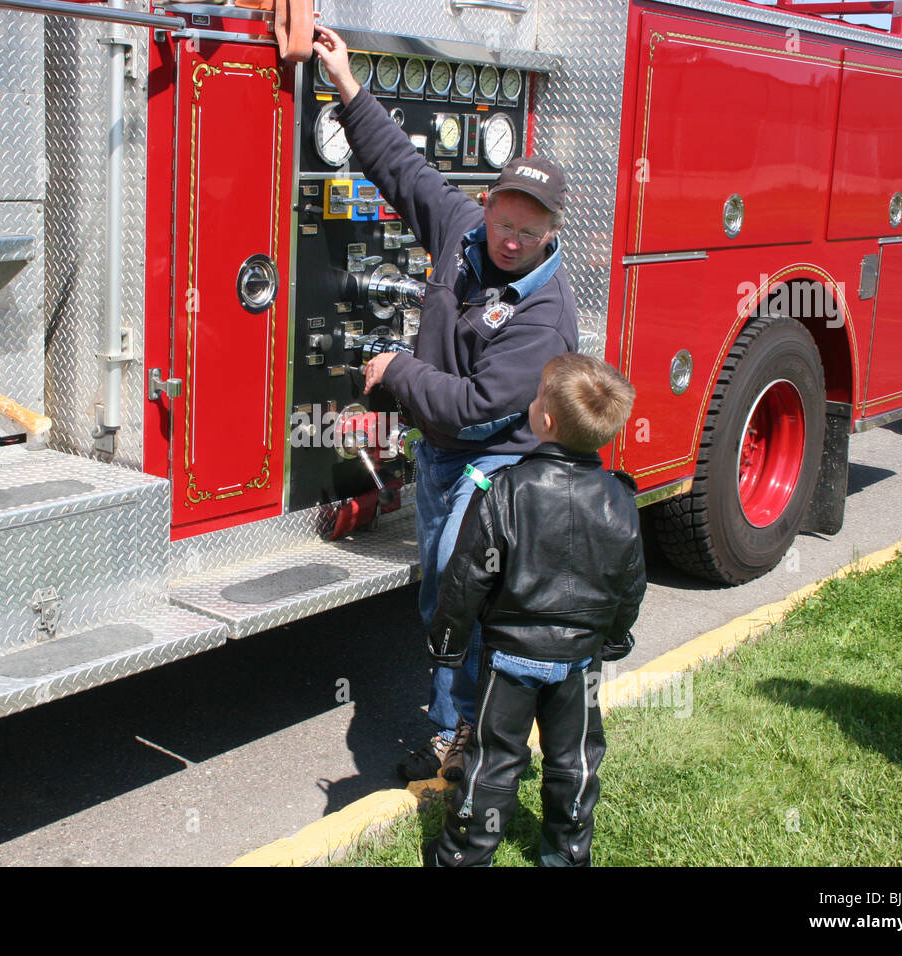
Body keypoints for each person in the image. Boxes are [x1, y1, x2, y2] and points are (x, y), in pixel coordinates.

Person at [312, 26, 580, 782]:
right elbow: (404, 169)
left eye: (528, 232)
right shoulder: (464, 230)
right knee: (441, 595)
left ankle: (463, 740)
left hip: (492, 467)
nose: (509, 240)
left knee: (462, 599)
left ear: (551, 232)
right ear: (489, 203)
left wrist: (396, 370)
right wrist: (348, 85)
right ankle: (472, 728)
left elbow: (473, 408)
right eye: (503, 220)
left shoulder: (544, 316)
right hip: (440, 459)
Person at [425, 352, 645, 866]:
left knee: (493, 762)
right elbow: (629, 583)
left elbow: (465, 577)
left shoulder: (505, 490)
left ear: (543, 419)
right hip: (580, 662)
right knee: (576, 761)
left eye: (537, 394)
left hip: (510, 661)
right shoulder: (619, 500)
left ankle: (462, 855)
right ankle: (567, 854)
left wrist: (448, 644)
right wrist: (612, 639)